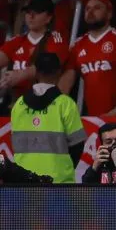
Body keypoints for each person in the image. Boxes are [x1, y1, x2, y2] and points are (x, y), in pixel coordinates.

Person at [59, 0, 116, 118]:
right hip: (94, 117)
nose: (90, 12)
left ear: (109, 14)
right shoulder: (78, 44)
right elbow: (67, 80)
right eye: (87, 9)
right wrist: (56, 108)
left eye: (97, 8)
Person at [10, 52, 85, 184]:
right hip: (58, 181)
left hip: (24, 181)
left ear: (36, 73)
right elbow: (77, 146)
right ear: (59, 72)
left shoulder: (19, 104)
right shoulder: (66, 104)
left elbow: (16, 143)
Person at [0, 0, 69, 104]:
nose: (31, 16)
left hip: (44, 104)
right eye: (28, 12)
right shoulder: (17, 41)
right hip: (17, 104)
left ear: (49, 18)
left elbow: (49, 65)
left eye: (36, 12)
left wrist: (20, 75)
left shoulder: (56, 39)